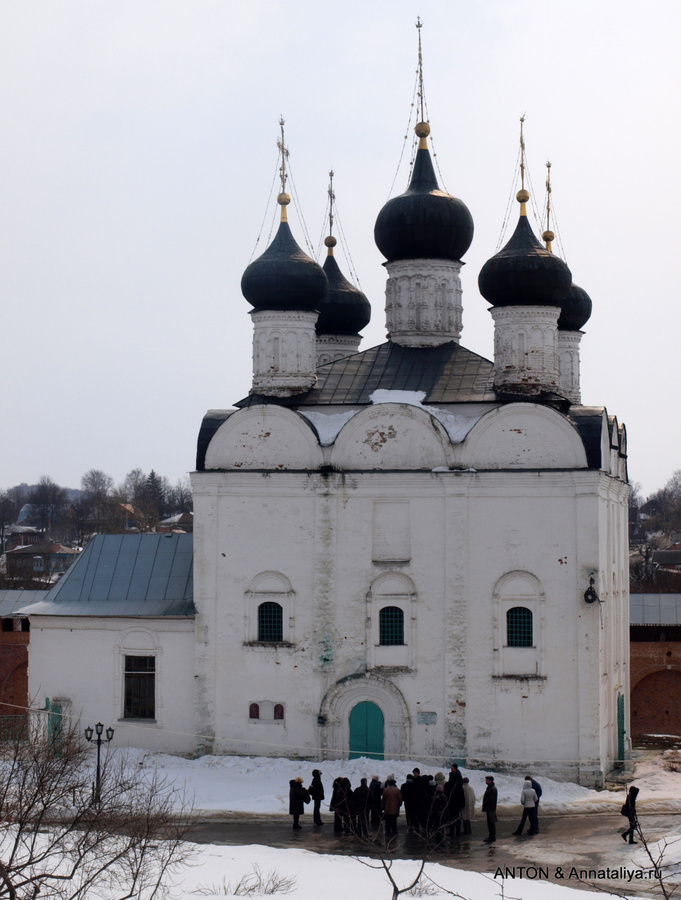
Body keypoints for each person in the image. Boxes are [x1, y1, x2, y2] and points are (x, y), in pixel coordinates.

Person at [445, 764, 464, 837]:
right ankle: (453, 832)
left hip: (455, 801)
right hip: (454, 802)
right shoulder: (456, 777)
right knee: (453, 817)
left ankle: (456, 832)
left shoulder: (457, 779)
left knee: (454, 817)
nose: (451, 769)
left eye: (452, 768)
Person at [482, 775, 498, 843]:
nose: (486, 781)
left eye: (487, 780)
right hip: (490, 808)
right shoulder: (491, 788)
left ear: (490, 781)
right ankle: (491, 836)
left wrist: (485, 803)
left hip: (490, 808)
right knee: (491, 823)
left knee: (491, 823)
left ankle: (492, 837)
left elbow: (491, 799)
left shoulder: (492, 789)